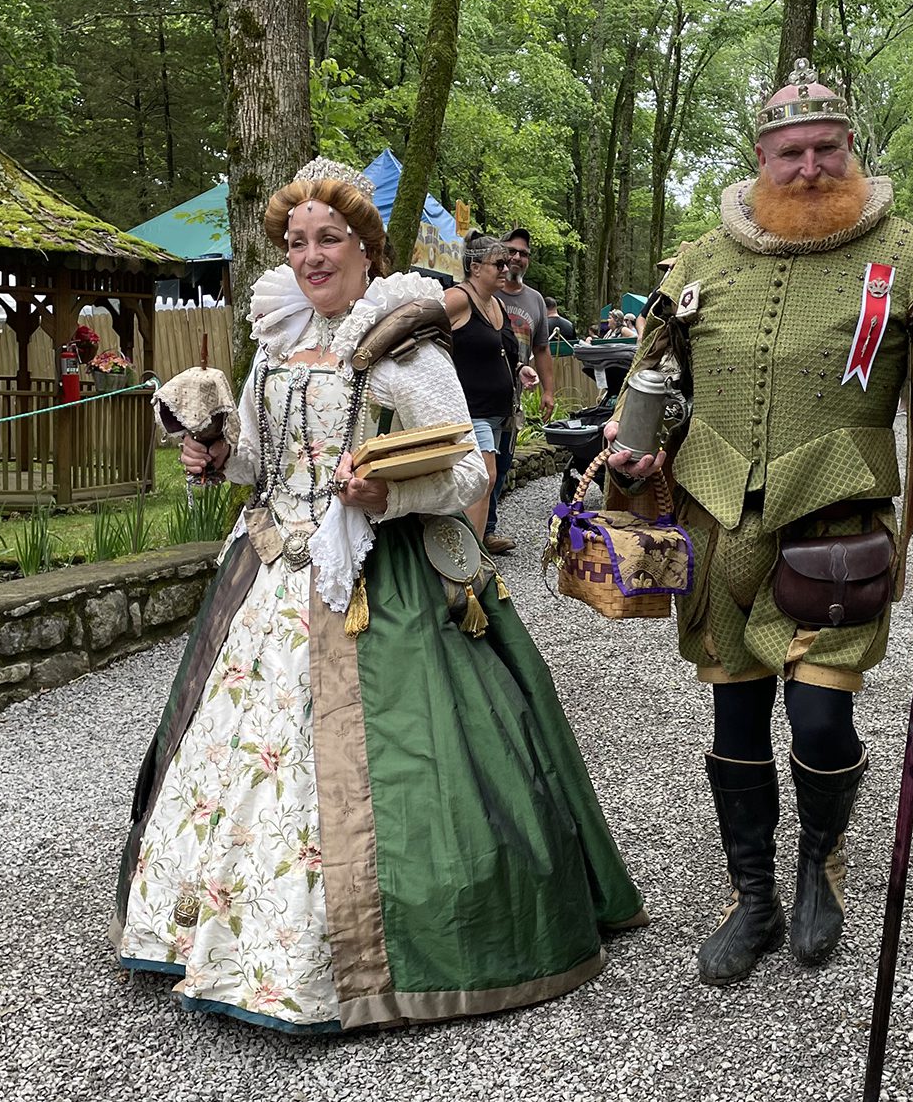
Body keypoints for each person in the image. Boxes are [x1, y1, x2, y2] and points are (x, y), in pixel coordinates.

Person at [113, 159, 644, 1033]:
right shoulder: (276, 343)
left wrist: (385, 495)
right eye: (296, 243)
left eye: (330, 240)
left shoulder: (402, 348)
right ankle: (225, 932)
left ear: (367, 250)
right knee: (238, 757)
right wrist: (216, 458)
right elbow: (261, 461)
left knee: (404, 772)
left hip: (379, 585)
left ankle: (377, 948)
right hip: (270, 575)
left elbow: (468, 468)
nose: (312, 257)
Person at [604, 60, 913, 987]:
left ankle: (818, 859)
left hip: (836, 530)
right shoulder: (702, 259)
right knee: (735, 715)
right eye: (790, 151)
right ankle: (751, 893)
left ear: (852, 149)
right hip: (718, 530)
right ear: (760, 157)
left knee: (822, 721)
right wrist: (634, 447)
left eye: (827, 147)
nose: (809, 167)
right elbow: (653, 382)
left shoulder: (906, 259)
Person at [445, 231, 521, 538]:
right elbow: (418, 323)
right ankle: (469, 562)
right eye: (499, 263)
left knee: (488, 481)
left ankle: (474, 554)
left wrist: (522, 371)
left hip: (497, 414)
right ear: (476, 267)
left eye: (507, 262)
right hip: (470, 410)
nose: (507, 268)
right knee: (483, 477)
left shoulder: (496, 304)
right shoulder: (458, 299)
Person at [484, 227, 554, 554]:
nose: (516, 258)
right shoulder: (486, 292)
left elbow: (541, 349)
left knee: (502, 463)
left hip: (513, 396)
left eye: (523, 253)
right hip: (481, 391)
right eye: (511, 251)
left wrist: (548, 393)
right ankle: (475, 533)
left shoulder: (535, 301)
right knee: (482, 466)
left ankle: (486, 531)